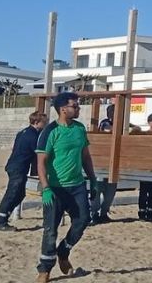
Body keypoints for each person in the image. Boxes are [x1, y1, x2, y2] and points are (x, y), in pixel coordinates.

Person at [35, 92, 97, 283]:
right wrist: (45, 188)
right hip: (55, 188)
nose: (78, 108)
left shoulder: (79, 129)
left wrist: (93, 179)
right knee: (50, 230)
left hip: (77, 186)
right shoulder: (50, 131)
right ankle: (45, 269)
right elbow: (41, 163)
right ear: (63, 109)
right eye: (75, 106)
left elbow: (85, 156)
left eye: (78, 106)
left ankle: (64, 251)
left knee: (83, 219)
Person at [0, 111, 46, 231]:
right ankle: (0, 221)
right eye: (44, 122)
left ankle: (4, 216)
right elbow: (38, 153)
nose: (45, 124)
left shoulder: (23, 132)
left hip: (15, 165)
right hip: (18, 167)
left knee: (20, 194)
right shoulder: (33, 136)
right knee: (12, 193)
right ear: (36, 122)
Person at [93, 103, 118, 223]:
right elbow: (108, 132)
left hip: (113, 162)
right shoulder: (105, 123)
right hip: (101, 160)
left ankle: (104, 212)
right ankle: (94, 213)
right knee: (97, 189)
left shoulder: (121, 124)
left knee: (111, 191)